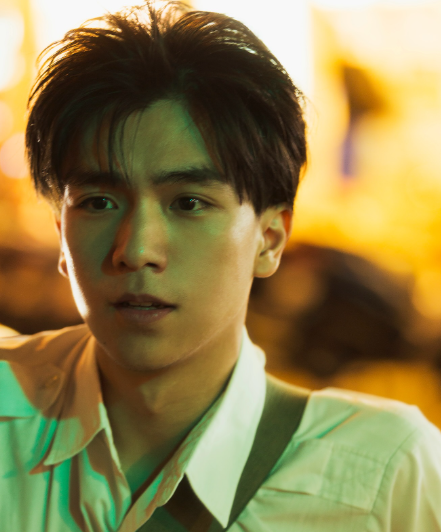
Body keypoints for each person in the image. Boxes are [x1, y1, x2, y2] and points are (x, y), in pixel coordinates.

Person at [1, 2, 440, 531]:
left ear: (269, 239)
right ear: (60, 233)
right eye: (99, 202)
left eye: (189, 203)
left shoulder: (382, 478)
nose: (135, 249)